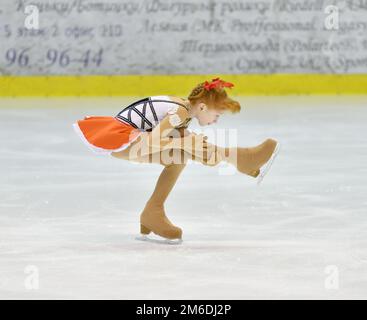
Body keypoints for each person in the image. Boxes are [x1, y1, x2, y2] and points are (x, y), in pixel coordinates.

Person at [72, 77, 280, 244]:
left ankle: (152, 213)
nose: (216, 121)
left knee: (183, 154)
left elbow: (177, 140)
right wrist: (188, 145)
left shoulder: (184, 110)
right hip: (122, 140)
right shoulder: (180, 112)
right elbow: (153, 142)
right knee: (186, 146)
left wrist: (196, 149)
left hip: (132, 138)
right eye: (217, 115)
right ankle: (244, 160)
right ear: (202, 107)